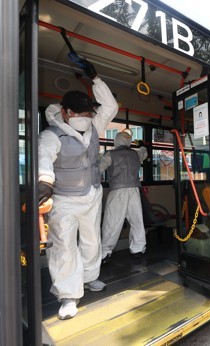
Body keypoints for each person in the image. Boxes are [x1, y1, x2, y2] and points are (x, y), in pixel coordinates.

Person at [38, 60, 119, 320]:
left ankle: (89, 277)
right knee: (63, 247)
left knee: (92, 240)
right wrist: (44, 181)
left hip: (92, 194)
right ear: (65, 112)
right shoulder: (51, 135)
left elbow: (111, 106)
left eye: (88, 114)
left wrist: (96, 80)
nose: (86, 117)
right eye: (80, 113)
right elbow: (44, 158)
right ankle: (68, 295)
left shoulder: (95, 126)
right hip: (63, 199)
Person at [100, 132, 148, 263]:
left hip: (117, 191)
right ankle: (138, 249)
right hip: (134, 190)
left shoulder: (110, 154)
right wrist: (142, 145)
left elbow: (98, 169)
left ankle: (105, 252)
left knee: (112, 222)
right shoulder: (136, 153)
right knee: (136, 221)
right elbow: (145, 152)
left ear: (116, 141)